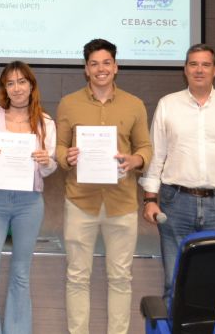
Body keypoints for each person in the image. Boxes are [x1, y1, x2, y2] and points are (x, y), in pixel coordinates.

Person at [139, 44, 215, 300]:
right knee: (173, 281)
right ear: (185, 69)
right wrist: (149, 200)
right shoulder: (168, 104)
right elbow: (156, 156)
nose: (199, 70)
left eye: (205, 64)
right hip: (175, 203)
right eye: (193, 64)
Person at [56, 38, 152, 334]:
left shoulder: (134, 104)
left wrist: (135, 160)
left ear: (116, 66)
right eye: (94, 64)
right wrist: (67, 157)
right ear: (86, 69)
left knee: (121, 278)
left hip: (121, 203)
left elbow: (146, 148)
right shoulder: (68, 103)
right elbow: (59, 148)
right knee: (77, 277)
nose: (101, 69)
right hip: (80, 201)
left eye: (106, 63)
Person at [0, 61, 57, 334]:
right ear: (4, 88)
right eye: (10, 83)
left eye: (22, 82)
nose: (17, 88)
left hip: (29, 204)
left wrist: (46, 161)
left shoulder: (45, 122)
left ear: (31, 86)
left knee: (20, 274)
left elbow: (50, 166)